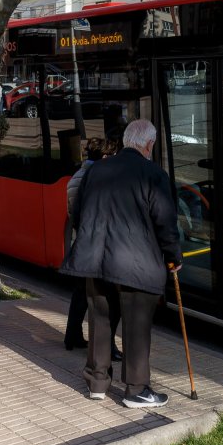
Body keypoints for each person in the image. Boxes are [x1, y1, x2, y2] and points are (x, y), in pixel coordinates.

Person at [61, 119, 182, 409]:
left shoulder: (96, 170)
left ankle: (97, 383)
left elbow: (77, 213)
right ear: (149, 145)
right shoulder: (153, 174)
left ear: (127, 141)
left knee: (101, 321)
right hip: (135, 265)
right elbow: (165, 222)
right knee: (136, 325)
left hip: (96, 261)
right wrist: (173, 257)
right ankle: (136, 390)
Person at [63, 137, 122, 362]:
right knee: (108, 298)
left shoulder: (77, 177)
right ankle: (108, 346)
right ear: (106, 157)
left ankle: (73, 336)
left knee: (80, 293)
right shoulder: (95, 178)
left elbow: (73, 213)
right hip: (94, 245)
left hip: (81, 245)